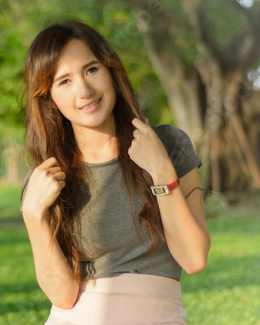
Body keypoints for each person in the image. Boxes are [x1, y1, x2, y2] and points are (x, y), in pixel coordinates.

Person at [20, 20, 210, 325]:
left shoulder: (168, 145)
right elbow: (63, 296)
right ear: (49, 97)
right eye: (64, 81)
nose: (84, 90)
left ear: (111, 71)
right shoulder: (48, 177)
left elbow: (194, 258)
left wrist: (161, 172)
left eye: (91, 69)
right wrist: (33, 216)